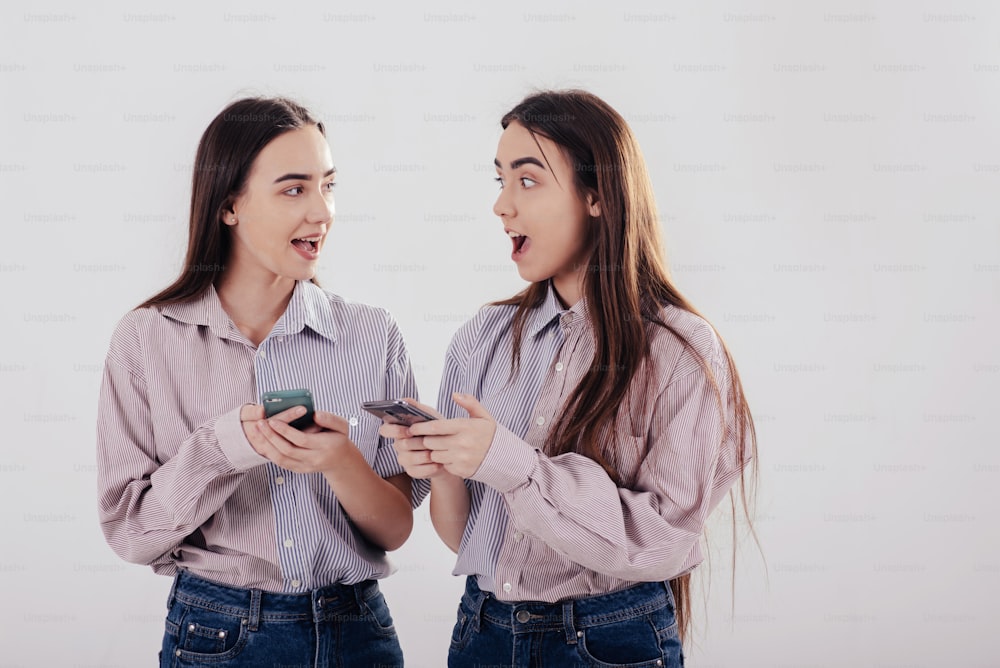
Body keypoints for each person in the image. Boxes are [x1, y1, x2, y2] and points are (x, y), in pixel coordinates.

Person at [384, 89, 758, 667]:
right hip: (483, 633)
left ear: (597, 197)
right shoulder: (482, 337)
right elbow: (467, 540)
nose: (502, 206)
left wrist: (512, 464)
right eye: (499, 180)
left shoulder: (679, 351)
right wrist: (441, 468)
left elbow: (662, 542)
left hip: (608, 642)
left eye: (527, 180)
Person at [97, 96, 415, 667]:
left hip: (358, 634)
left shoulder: (372, 334)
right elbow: (131, 533)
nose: (321, 212)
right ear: (229, 207)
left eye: (328, 185)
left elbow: (395, 530)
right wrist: (222, 450)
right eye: (294, 189)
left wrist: (341, 461)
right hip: (217, 637)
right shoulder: (146, 340)